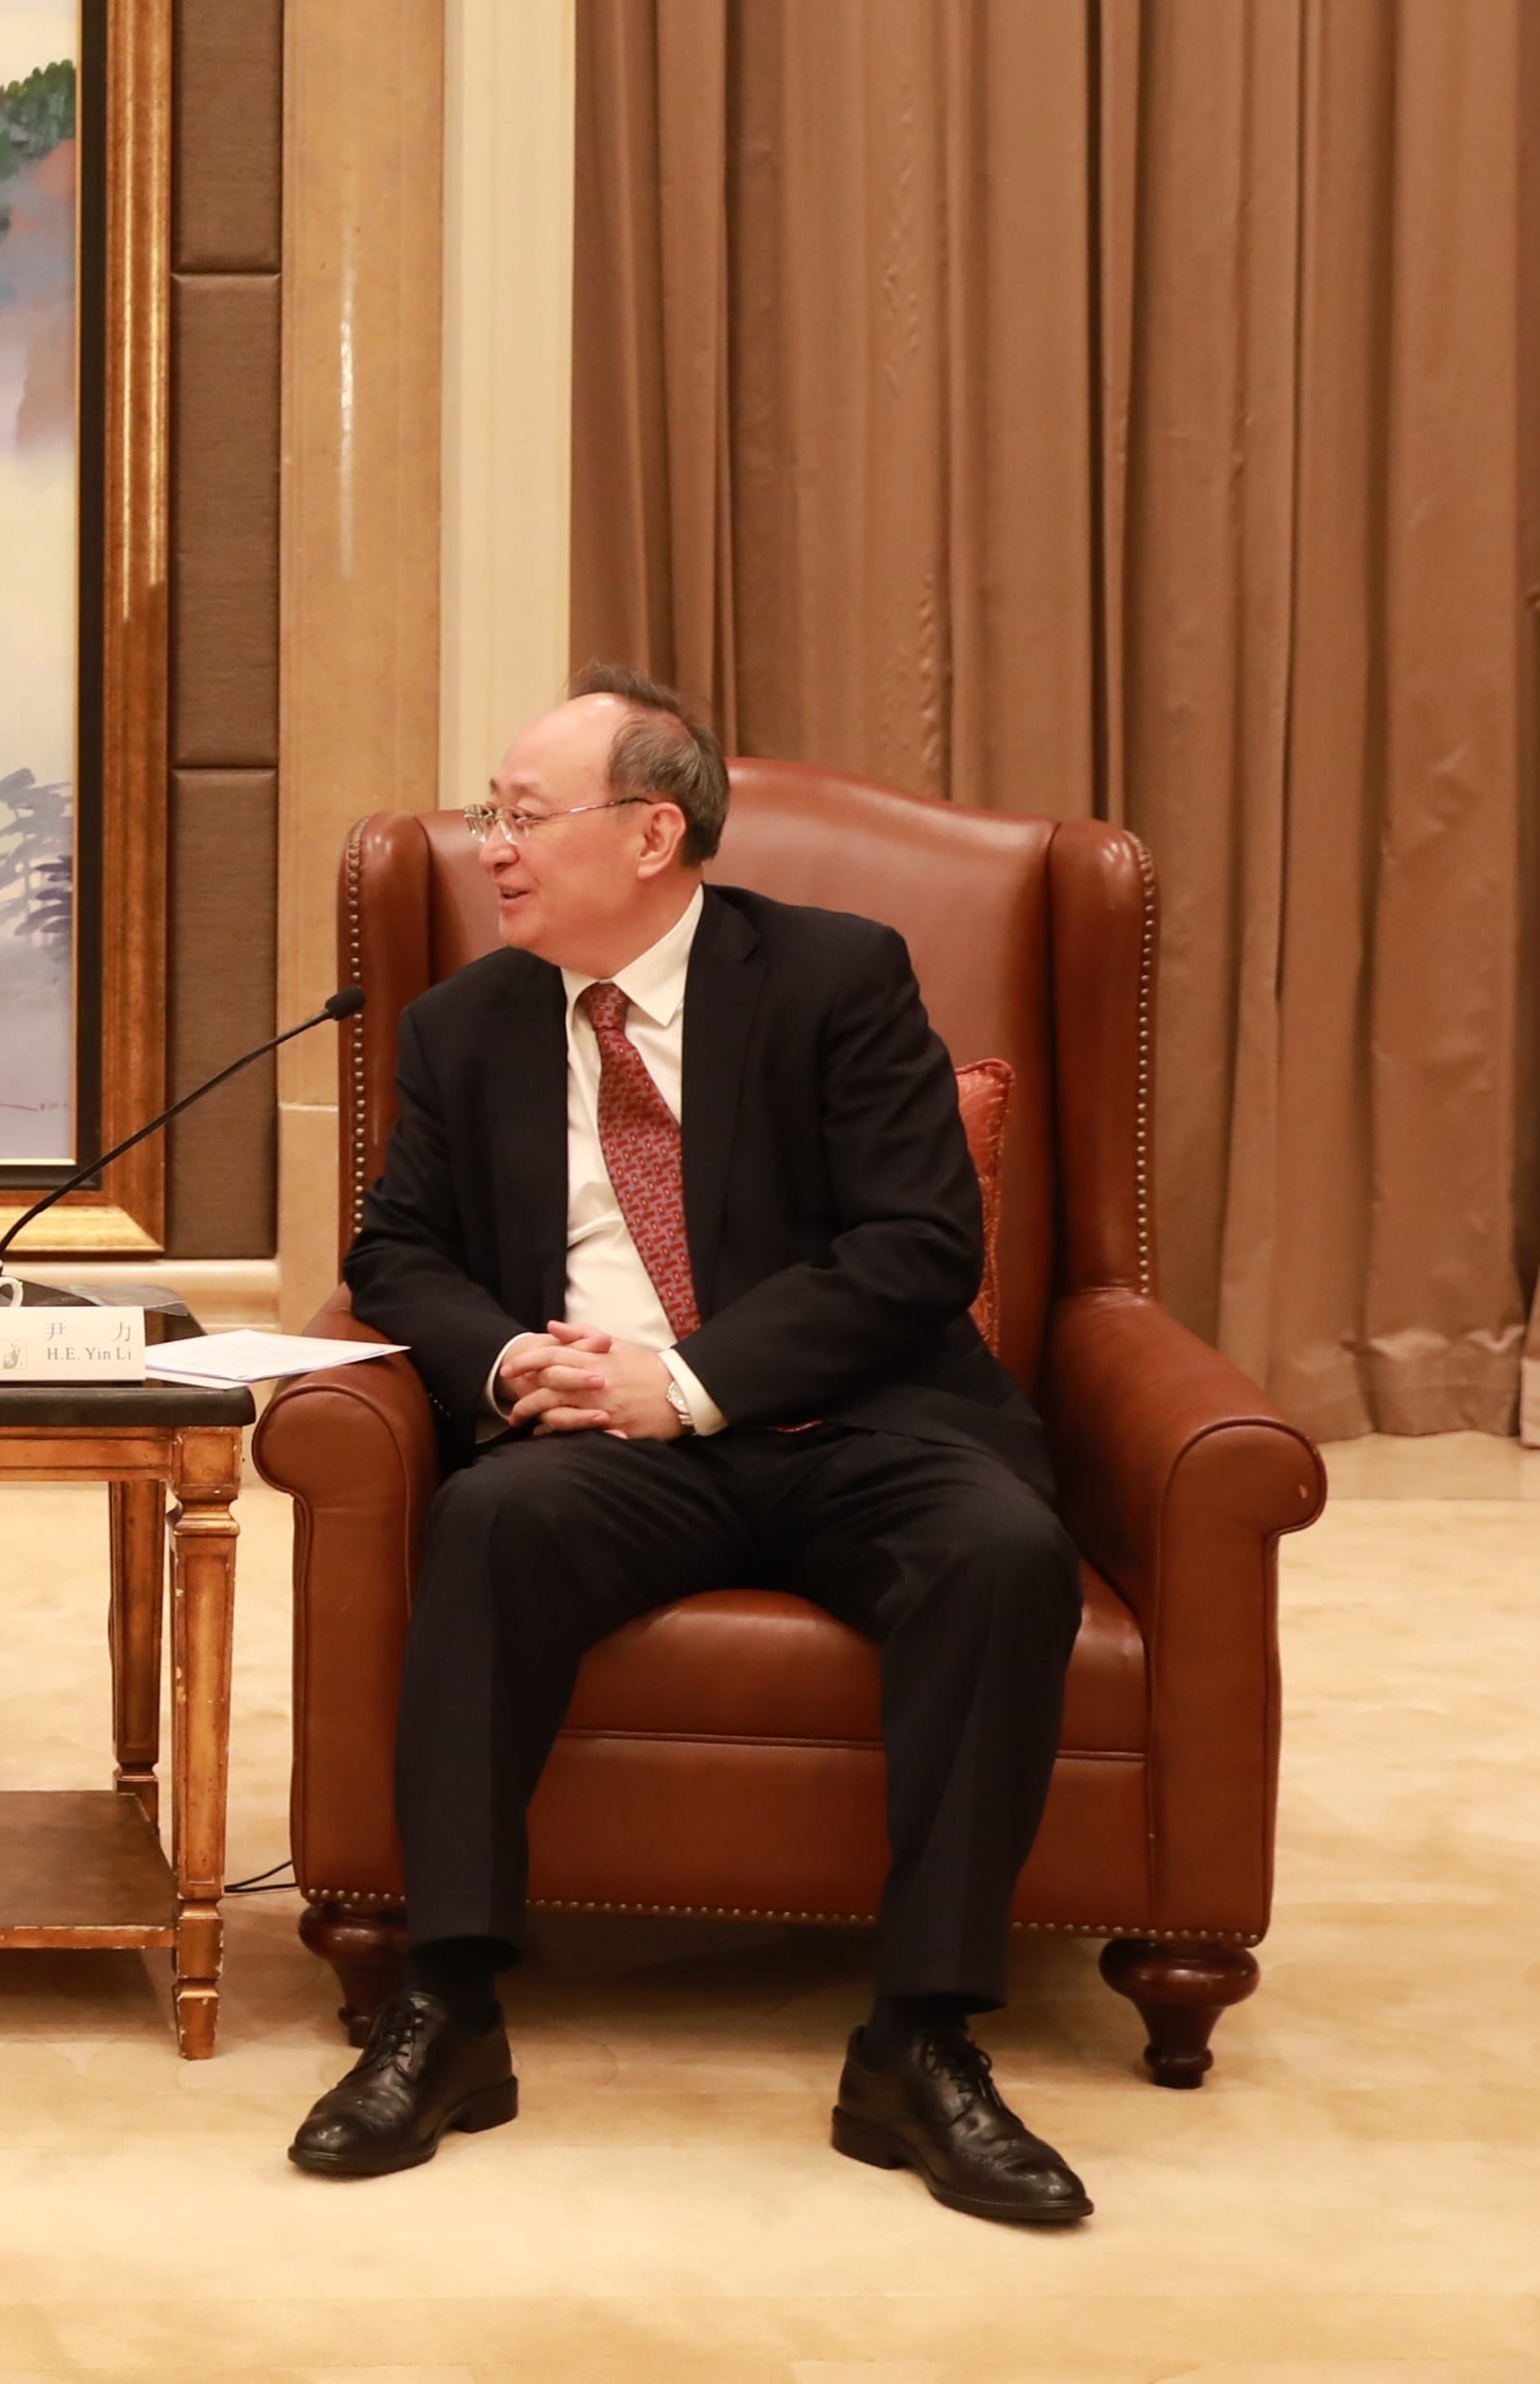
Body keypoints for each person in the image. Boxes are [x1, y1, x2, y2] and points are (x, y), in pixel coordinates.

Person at [293, 667, 1094, 2231]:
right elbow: (394, 1251)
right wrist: (507, 1356)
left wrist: (690, 1377)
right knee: (488, 1528)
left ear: (650, 833)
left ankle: (920, 2040)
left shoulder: (831, 976)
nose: (489, 848)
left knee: (998, 1555)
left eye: (522, 816)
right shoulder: (463, 1026)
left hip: (850, 1418)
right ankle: (444, 2008)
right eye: (487, 816)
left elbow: (918, 1246)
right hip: (600, 1446)